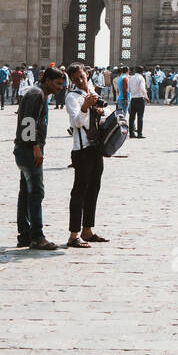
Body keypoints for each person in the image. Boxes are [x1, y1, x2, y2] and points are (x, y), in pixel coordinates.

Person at [13, 65, 66, 249]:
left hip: (23, 149)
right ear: (47, 81)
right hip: (29, 151)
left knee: (26, 193)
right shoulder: (37, 94)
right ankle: (36, 236)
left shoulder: (36, 92)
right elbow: (29, 121)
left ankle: (25, 235)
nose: (60, 87)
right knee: (36, 192)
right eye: (58, 83)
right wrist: (35, 146)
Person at [65, 63, 108, 248]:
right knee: (79, 192)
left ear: (87, 75)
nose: (80, 81)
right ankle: (73, 235)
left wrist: (100, 110)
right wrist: (85, 107)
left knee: (93, 191)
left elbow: (106, 115)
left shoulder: (92, 92)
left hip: (96, 148)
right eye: (75, 79)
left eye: (82, 77)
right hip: (82, 150)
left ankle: (87, 230)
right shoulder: (71, 97)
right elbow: (75, 122)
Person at [127, 65, 148, 138]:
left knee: (132, 117)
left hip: (133, 99)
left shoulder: (131, 78)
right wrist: (146, 97)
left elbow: (129, 89)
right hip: (140, 99)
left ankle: (131, 133)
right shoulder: (141, 78)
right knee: (140, 117)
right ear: (142, 72)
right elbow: (142, 88)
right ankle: (139, 133)